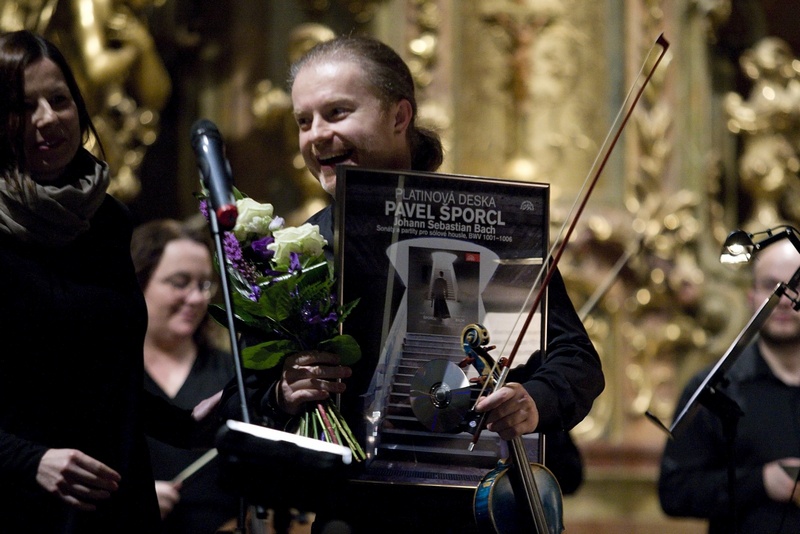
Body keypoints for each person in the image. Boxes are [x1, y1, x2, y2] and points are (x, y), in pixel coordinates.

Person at [241, 34, 602, 533]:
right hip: (353, 515)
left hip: (477, 513)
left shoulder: (490, 223)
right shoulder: (299, 249)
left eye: (338, 113)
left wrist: (533, 400)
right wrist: (284, 392)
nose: (316, 136)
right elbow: (249, 397)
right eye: (304, 121)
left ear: (399, 116)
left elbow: (577, 360)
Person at [0, 29, 220, 533]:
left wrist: (183, 423)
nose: (48, 119)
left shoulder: (106, 221)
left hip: (115, 502)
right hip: (20, 505)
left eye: (59, 100)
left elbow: (99, 379)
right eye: (23, 106)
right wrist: (27, 459)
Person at [658, 238, 800, 533]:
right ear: (751, 296)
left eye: (796, 286)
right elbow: (674, 491)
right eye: (773, 286)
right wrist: (761, 482)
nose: (785, 299)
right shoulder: (715, 387)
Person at [131, 218, 239, 534]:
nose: (196, 299)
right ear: (138, 282)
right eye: (180, 282)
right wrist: (133, 498)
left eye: (204, 284)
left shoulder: (230, 373)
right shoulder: (114, 376)